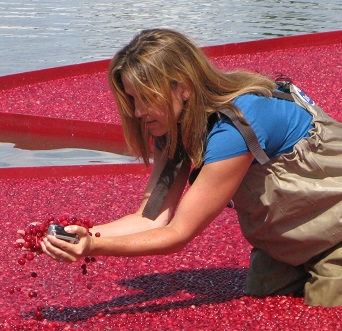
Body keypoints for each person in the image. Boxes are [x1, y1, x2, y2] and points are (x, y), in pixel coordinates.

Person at [25, 29, 342, 306]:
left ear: (184, 88)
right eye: (131, 99)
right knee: (264, 294)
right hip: (288, 241)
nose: (137, 112)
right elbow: (150, 218)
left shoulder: (237, 127)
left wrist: (94, 245)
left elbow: (178, 233)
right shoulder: (175, 132)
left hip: (336, 231)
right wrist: (66, 237)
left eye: (146, 98)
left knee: (325, 307)